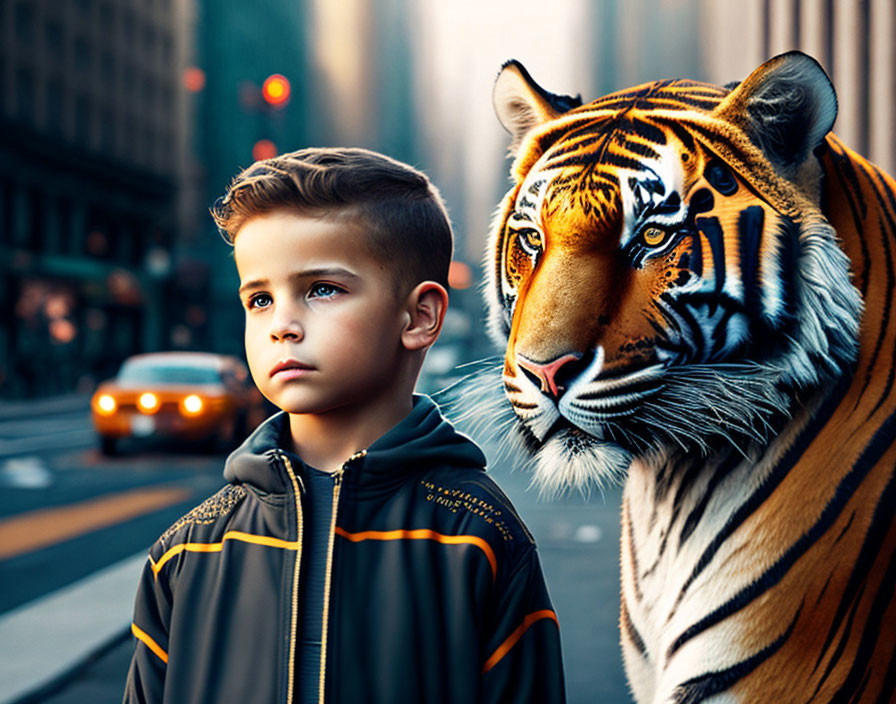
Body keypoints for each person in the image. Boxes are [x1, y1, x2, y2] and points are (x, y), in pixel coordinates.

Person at [122, 147, 566, 704]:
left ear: (420, 317)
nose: (281, 325)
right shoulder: (187, 551)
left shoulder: (480, 538)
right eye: (259, 299)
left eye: (321, 290)